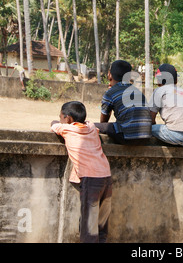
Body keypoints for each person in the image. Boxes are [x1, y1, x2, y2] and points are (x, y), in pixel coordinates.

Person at [50, 101, 112, 243]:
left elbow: (53, 124)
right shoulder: (90, 127)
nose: (60, 119)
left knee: (89, 228)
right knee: (101, 225)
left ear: (68, 119)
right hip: (106, 176)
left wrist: (60, 123)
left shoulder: (66, 129)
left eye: (61, 117)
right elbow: (96, 126)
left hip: (91, 180)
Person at [97, 60, 152, 145]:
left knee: (93, 126)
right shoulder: (137, 91)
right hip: (146, 137)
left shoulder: (110, 93)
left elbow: (104, 121)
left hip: (127, 137)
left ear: (109, 74)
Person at [149, 63, 183, 146]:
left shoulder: (159, 91)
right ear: (176, 80)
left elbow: (151, 117)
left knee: (145, 128)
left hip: (176, 135)